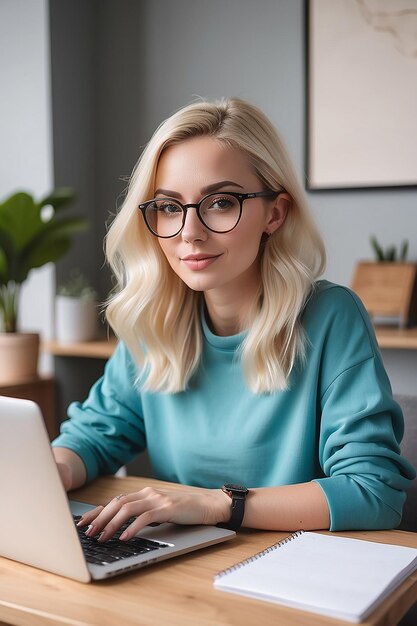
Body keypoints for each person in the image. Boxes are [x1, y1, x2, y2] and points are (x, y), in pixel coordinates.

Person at [52, 97, 415, 544]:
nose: (189, 232)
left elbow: (373, 492)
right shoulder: (154, 320)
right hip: (182, 568)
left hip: (296, 568)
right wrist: (56, 468)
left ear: (275, 214)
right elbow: (93, 436)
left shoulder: (331, 317)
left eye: (220, 202)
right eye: (168, 207)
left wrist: (217, 503)